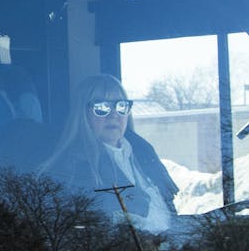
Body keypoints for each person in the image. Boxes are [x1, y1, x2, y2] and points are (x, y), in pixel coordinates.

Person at [41, 74, 178, 234]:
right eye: (101, 108)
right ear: (82, 114)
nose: (113, 114)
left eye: (121, 106)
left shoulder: (144, 153)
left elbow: (169, 210)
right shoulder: (72, 168)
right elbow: (90, 231)